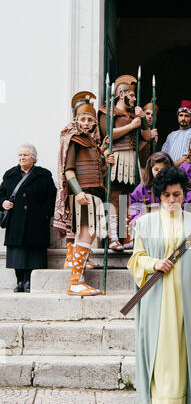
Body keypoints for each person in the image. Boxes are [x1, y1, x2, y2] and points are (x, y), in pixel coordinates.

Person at [127, 166, 191, 404]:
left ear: (184, 194)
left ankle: (185, 397)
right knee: (162, 349)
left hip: (187, 296)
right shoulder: (145, 223)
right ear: (158, 195)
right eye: (165, 195)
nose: (171, 200)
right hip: (157, 298)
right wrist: (154, 263)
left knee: (183, 346)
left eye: (176, 194)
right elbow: (135, 260)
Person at [53, 91, 113, 296]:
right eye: (82, 119)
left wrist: (106, 160)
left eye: (89, 119)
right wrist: (78, 192)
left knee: (88, 233)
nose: (86, 122)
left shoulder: (93, 144)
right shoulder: (75, 140)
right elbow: (68, 171)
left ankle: (79, 279)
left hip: (94, 193)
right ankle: (75, 281)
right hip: (83, 194)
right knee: (87, 233)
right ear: (76, 120)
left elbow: (99, 173)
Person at [99, 75, 152, 251]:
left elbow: (147, 136)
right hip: (118, 156)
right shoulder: (107, 111)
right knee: (114, 197)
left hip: (132, 158)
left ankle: (126, 236)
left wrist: (142, 119)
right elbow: (109, 133)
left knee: (128, 199)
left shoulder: (133, 114)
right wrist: (131, 126)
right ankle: (113, 237)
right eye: (132, 95)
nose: (135, 99)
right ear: (122, 94)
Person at [0, 144, 56, 292]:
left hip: (36, 220)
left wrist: (45, 214)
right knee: (17, 253)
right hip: (15, 220)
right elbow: (2, 194)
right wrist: (3, 202)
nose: (21, 158)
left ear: (33, 157)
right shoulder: (10, 174)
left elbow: (52, 196)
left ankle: (30, 281)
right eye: (20, 155)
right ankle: (19, 281)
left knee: (34, 252)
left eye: (25, 155)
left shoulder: (43, 174)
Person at [129, 152, 191, 225]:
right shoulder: (142, 188)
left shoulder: (177, 184)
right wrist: (145, 212)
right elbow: (133, 207)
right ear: (150, 169)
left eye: (163, 169)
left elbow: (190, 199)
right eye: (156, 169)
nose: (159, 173)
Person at [161, 100, 191, 167]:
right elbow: (163, 154)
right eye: (181, 115)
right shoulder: (171, 135)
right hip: (169, 171)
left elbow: (187, 157)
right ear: (178, 117)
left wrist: (171, 168)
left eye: (187, 116)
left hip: (184, 172)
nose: (183, 118)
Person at [138, 100, 159, 176]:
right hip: (138, 168)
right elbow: (135, 149)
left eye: (153, 115)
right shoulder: (137, 129)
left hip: (149, 170)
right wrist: (149, 137)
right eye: (147, 114)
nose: (150, 117)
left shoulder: (154, 131)